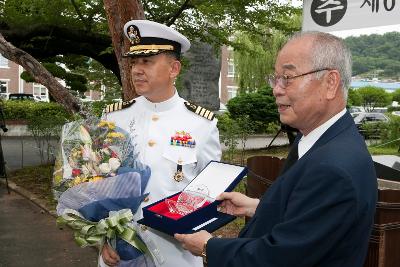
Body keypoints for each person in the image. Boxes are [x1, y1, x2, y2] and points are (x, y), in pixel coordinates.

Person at [175, 31, 377, 267]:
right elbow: (312, 216)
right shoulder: (320, 140)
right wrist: (257, 207)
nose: (276, 89)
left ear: (330, 83)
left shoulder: (334, 168)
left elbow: (281, 257)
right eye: (276, 78)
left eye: (288, 77)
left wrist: (209, 247)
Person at [101, 20, 221, 267]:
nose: (136, 69)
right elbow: (98, 185)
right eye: (134, 62)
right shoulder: (113, 118)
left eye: (147, 61)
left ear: (174, 68)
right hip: (118, 253)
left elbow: (210, 192)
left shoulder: (201, 124)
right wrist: (100, 238)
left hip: (175, 253)